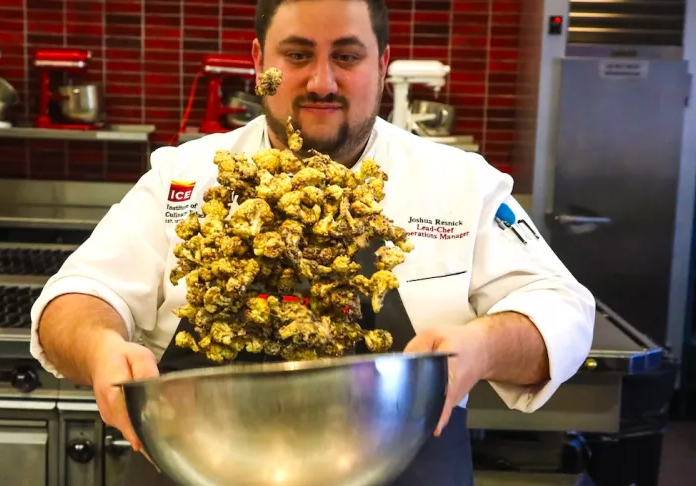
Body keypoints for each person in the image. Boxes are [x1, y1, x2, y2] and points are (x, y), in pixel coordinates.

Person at [30, 0, 596, 484]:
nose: (321, 81)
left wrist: (481, 349)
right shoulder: (185, 176)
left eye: (347, 57)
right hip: (199, 468)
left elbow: (561, 308)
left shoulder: (458, 183)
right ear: (259, 63)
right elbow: (75, 299)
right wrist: (102, 349)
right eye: (297, 55)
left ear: (382, 65)